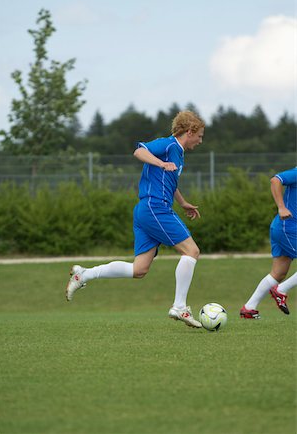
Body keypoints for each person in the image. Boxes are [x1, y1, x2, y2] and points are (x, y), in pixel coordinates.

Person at [66, 111, 205, 328]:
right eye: (200, 135)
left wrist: (183, 202)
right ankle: (179, 307)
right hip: (154, 207)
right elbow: (139, 152)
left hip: (146, 209)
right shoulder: (169, 145)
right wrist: (161, 164)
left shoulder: (178, 154)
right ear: (190, 131)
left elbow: (169, 182)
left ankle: (84, 274)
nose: (200, 141)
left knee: (139, 269)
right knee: (192, 251)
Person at [240, 167, 297, 319]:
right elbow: (275, 180)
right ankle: (281, 290)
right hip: (288, 227)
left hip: (283, 228)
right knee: (280, 279)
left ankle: (249, 308)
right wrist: (281, 207)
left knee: (279, 272)